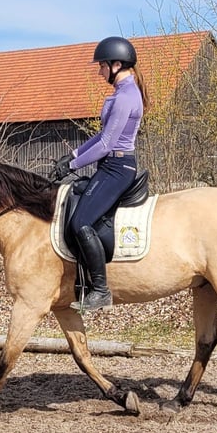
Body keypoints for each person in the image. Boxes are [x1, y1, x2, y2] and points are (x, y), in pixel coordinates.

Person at [54, 36, 149, 311]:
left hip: (117, 167)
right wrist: (71, 156)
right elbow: (101, 136)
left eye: (102, 66)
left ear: (117, 64)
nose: (99, 72)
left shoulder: (126, 97)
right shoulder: (122, 94)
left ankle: (100, 289)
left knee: (80, 222)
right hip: (110, 165)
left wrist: (73, 167)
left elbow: (107, 144)